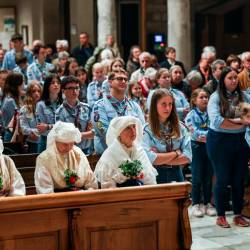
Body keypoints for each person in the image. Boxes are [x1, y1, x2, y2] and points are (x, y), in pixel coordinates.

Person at [206, 67, 250, 228]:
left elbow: (248, 117)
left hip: (240, 140)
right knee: (222, 178)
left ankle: (238, 214)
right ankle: (221, 215)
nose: (234, 80)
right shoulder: (215, 97)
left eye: (235, 78)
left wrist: (239, 122)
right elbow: (218, 122)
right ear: (223, 80)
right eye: (230, 78)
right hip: (219, 141)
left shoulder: (243, 96)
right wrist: (241, 122)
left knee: (239, 179)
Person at [143, 89, 192, 183]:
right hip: (155, 175)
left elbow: (187, 156)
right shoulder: (146, 129)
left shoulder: (180, 127)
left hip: (177, 174)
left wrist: (160, 158)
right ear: (154, 106)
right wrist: (176, 153)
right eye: (164, 104)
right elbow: (149, 158)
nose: (168, 108)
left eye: (170, 104)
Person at [91, 69, 145, 155]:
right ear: (110, 82)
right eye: (119, 79)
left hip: (132, 155)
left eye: (125, 79)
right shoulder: (99, 106)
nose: (123, 81)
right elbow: (103, 131)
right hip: (108, 157)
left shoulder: (134, 106)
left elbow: (142, 130)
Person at [35, 121, 98, 194]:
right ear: (56, 141)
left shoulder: (78, 152)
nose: (69, 148)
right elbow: (45, 190)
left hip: (82, 197)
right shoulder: (44, 158)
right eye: (65, 144)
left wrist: (89, 192)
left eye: (71, 144)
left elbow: (90, 180)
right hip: (58, 201)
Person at [94, 116, 157, 188]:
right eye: (128, 128)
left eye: (134, 127)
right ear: (119, 133)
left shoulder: (140, 151)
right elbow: (106, 186)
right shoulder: (110, 154)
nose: (133, 131)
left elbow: (150, 180)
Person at [185, 89, 216, 217]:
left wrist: (210, 135)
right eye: (201, 97)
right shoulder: (191, 115)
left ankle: (207, 203)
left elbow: (216, 128)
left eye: (206, 97)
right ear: (194, 100)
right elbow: (195, 133)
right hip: (197, 147)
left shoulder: (212, 113)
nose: (205, 99)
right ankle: (196, 203)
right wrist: (210, 135)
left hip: (210, 147)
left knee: (208, 176)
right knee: (197, 176)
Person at [56, 76, 94, 155]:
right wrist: (85, 134)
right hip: (69, 152)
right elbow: (63, 136)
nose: (75, 91)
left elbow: (93, 133)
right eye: (70, 88)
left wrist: (74, 134)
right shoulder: (60, 112)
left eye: (77, 88)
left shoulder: (87, 108)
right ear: (63, 91)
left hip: (86, 150)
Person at [36, 74, 62, 152]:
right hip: (45, 142)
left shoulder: (64, 104)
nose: (56, 85)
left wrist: (48, 126)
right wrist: (59, 127)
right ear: (47, 86)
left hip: (61, 141)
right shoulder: (40, 105)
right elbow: (42, 129)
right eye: (52, 83)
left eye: (58, 82)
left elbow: (67, 126)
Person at [19, 81, 42, 153]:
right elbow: (24, 129)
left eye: (38, 91)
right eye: (33, 91)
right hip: (32, 144)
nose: (36, 93)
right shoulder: (24, 109)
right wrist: (38, 132)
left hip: (44, 142)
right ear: (29, 93)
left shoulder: (44, 107)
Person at [1, 72, 24, 142]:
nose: (23, 85)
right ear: (17, 84)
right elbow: (16, 121)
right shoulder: (10, 100)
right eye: (22, 82)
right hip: (11, 136)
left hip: (17, 135)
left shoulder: (16, 98)